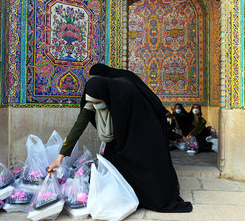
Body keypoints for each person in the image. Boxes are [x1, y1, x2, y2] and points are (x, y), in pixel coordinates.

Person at [49, 65, 192, 213]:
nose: (96, 106)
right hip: (123, 136)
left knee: (147, 166)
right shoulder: (97, 95)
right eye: (94, 103)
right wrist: (60, 158)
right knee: (115, 161)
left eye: (98, 102)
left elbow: (140, 121)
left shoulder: (126, 92)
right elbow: (79, 125)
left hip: (144, 131)